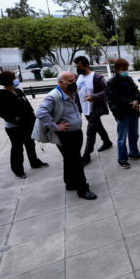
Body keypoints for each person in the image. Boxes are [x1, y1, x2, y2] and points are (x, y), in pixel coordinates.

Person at [34, 72, 96, 200]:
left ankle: (70, 183)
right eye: (70, 81)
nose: (74, 83)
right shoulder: (53, 96)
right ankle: (82, 189)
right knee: (77, 161)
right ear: (60, 83)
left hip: (75, 132)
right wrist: (56, 127)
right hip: (66, 135)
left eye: (74, 80)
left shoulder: (71, 92)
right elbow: (40, 112)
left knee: (69, 159)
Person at [0, 71, 48, 179]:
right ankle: (18, 169)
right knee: (17, 148)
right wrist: (18, 120)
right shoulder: (1, 96)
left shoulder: (18, 91)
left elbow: (27, 106)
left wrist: (33, 118)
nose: (17, 79)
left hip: (27, 125)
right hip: (14, 128)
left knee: (30, 144)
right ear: (8, 81)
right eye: (15, 78)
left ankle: (34, 162)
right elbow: (3, 113)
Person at [107, 58, 140, 169]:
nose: (125, 71)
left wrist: (137, 100)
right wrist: (132, 103)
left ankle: (134, 153)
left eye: (126, 69)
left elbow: (136, 91)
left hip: (133, 111)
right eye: (123, 69)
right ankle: (122, 159)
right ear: (116, 69)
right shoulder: (111, 82)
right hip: (122, 113)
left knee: (134, 135)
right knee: (122, 138)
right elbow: (116, 99)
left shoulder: (128, 79)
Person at [74, 56, 112, 165]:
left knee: (90, 131)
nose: (77, 69)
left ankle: (86, 155)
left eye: (79, 66)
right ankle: (107, 142)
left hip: (96, 108)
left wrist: (94, 96)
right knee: (97, 125)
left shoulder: (97, 77)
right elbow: (77, 92)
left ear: (86, 65)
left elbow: (106, 90)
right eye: (76, 67)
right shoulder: (77, 77)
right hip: (84, 108)